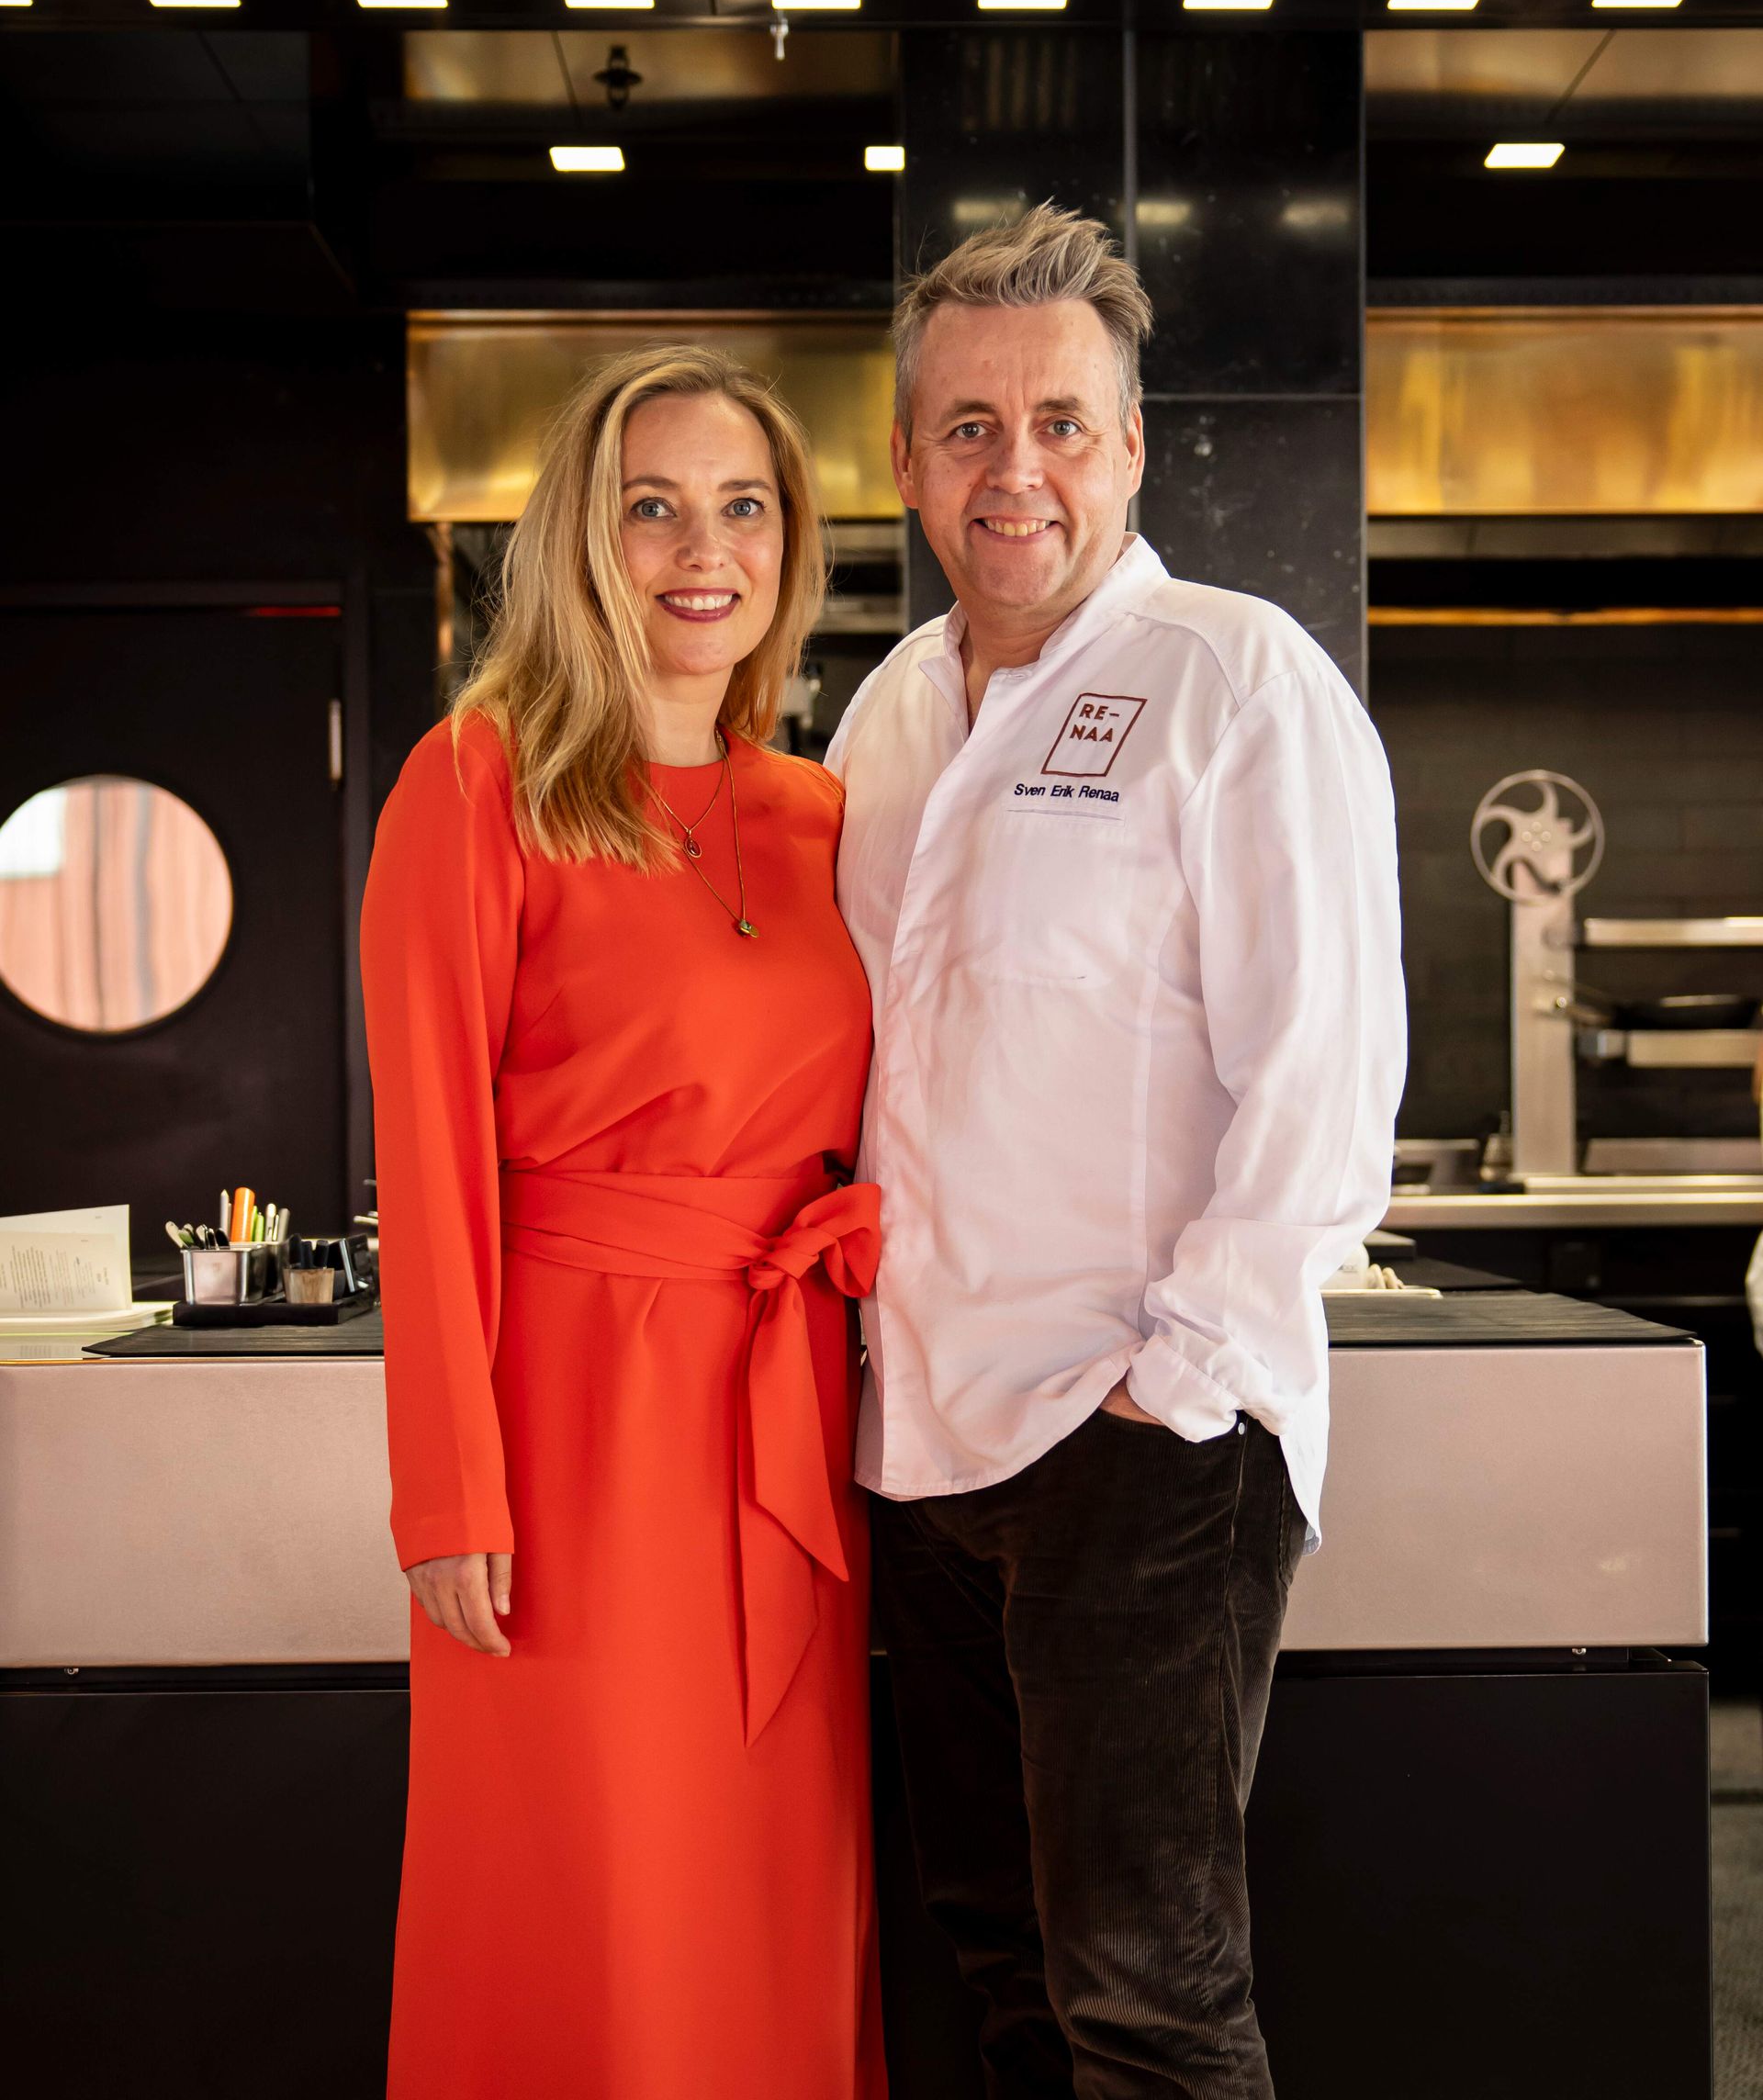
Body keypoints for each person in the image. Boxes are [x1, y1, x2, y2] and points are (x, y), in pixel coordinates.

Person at [826, 204, 1406, 2097]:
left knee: (1147, 2006)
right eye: (972, 427)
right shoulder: (892, 713)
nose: (1019, 471)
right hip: (918, 1448)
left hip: (1130, 1444)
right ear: (907, 458)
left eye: (1063, 422)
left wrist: (1179, 1390)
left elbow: (1324, 1078)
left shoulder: (1235, 679)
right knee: (1001, 1969)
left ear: (1134, 445)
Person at [361, 345, 885, 2100]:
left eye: (741, 506)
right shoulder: (478, 779)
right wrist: (448, 1488)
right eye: (650, 505)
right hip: (573, 1438)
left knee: (775, 1898)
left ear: (790, 542)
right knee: (589, 1896)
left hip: (789, 1425)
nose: (698, 549)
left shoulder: (822, 815)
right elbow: (424, 1158)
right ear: (584, 535)